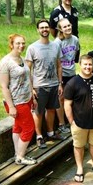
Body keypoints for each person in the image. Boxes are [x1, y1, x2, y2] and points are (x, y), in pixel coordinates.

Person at [64, 54, 93, 183]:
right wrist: (71, 122)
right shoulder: (72, 83)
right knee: (78, 146)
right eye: (85, 64)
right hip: (79, 123)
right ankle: (79, 168)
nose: (88, 67)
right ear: (80, 64)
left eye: (90, 64)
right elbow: (67, 104)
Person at [0, 34, 37, 165]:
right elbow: (4, 87)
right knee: (29, 128)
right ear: (11, 44)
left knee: (18, 127)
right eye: (18, 43)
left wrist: (32, 96)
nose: (21, 46)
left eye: (23, 43)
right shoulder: (5, 63)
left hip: (26, 98)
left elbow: (28, 78)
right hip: (16, 102)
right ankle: (21, 157)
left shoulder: (22, 59)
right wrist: (12, 106)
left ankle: (17, 153)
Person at [25, 19, 65, 149]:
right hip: (39, 85)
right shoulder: (32, 48)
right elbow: (27, 71)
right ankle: (39, 137)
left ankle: (50, 132)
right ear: (38, 30)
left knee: (52, 109)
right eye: (41, 28)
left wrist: (60, 83)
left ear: (50, 29)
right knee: (38, 112)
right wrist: (31, 89)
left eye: (46, 27)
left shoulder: (55, 46)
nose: (44, 30)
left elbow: (59, 66)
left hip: (54, 84)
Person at [53, 18, 80, 133]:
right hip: (61, 74)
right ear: (60, 29)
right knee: (61, 98)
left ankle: (73, 120)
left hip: (72, 72)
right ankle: (61, 123)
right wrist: (58, 80)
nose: (68, 28)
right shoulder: (57, 42)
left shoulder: (75, 39)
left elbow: (76, 55)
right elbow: (55, 61)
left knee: (73, 98)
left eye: (69, 25)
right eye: (65, 27)